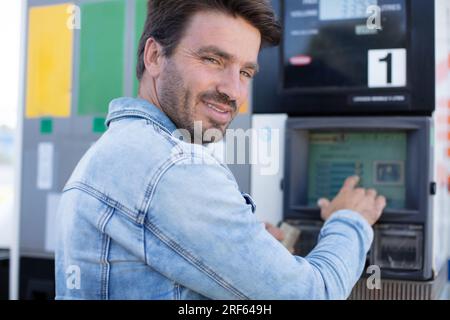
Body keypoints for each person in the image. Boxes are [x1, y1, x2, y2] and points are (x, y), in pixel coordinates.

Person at [55, 0, 386, 300]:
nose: (233, 91)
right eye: (213, 59)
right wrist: (350, 220)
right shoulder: (173, 167)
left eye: (245, 72)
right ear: (155, 56)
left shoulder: (117, 148)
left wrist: (248, 251)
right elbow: (314, 294)